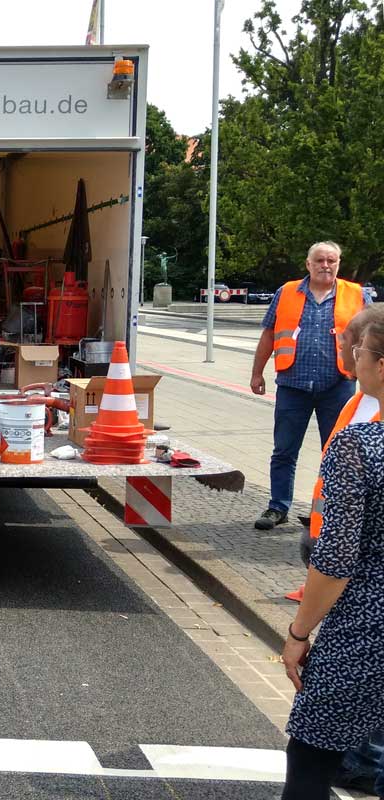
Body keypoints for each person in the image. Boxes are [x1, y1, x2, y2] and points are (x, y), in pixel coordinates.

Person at [280, 315, 384, 800]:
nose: (353, 360)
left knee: (311, 754)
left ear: (380, 367)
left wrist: (299, 633)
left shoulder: (361, 447)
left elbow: (336, 561)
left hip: (366, 630)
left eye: (359, 352)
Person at [249, 242, 372, 530]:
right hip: (293, 385)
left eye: (332, 260)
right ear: (308, 264)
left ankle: (329, 512)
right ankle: (277, 507)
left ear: (339, 263)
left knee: (337, 453)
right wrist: (257, 373)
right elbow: (269, 335)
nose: (325, 265)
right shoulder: (287, 292)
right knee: (284, 451)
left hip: (338, 386)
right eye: (319, 260)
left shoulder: (356, 295)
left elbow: (373, 338)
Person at [290, 304, 384, 602]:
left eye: (344, 341)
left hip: (355, 562)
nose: (339, 346)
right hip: (330, 539)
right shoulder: (356, 402)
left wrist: (299, 632)